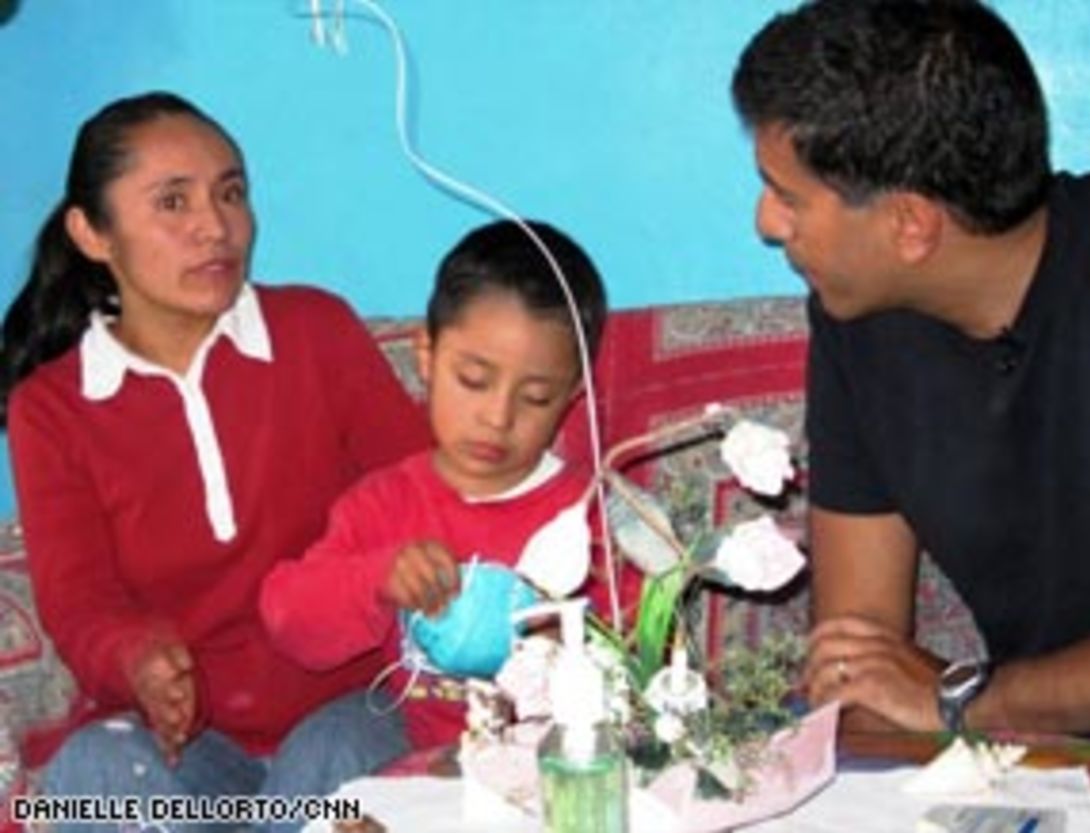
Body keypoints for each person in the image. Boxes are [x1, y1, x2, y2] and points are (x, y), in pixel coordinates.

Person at [1, 91, 431, 828]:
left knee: (328, 761)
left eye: (230, 192)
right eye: (173, 201)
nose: (215, 225)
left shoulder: (314, 332)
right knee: (89, 771)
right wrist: (137, 657)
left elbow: (421, 497)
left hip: (349, 710)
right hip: (192, 754)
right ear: (92, 233)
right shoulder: (52, 408)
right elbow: (79, 601)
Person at [732, 0, 1090, 736]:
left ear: (910, 224)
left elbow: (934, 695)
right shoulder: (859, 323)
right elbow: (859, 656)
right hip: (1044, 769)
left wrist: (974, 699)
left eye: (787, 196)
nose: (766, 223)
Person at [260, 219, 627, 750]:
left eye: (537, 397)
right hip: (412, 761)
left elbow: (642, 653)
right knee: (332, 740)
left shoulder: (591, 515)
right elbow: (290, 621)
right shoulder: (385, 504)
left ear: (574, 395)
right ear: (426, 357)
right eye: (474, 381)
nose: (497, 418)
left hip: (555, 762)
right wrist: (378, 578)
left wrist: (572, 645)